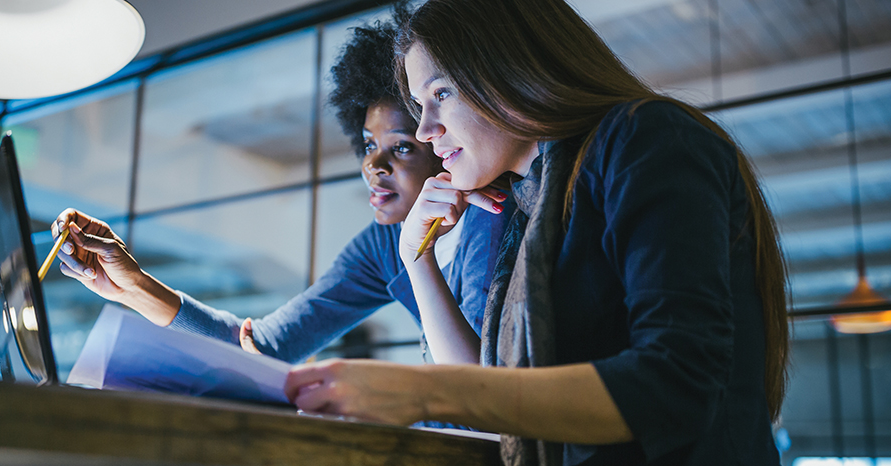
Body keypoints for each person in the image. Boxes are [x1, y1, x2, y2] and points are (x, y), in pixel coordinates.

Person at [283, 1, 790, 465]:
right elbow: (494, 397)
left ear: (508, 69)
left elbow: (678, 385)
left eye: (441, 93)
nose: (424, 130)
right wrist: (417, 259)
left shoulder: (645, 138)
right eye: (420, 105)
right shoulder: (529, 200)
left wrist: (425, 391)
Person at [52, 9, 509, 366]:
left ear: (440, 141)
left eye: (402, 147)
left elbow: (479, 388)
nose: (374, 164)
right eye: (368, 144)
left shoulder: (493, 219)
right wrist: (130, 285)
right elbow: (264, 347)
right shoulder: (385, 244)